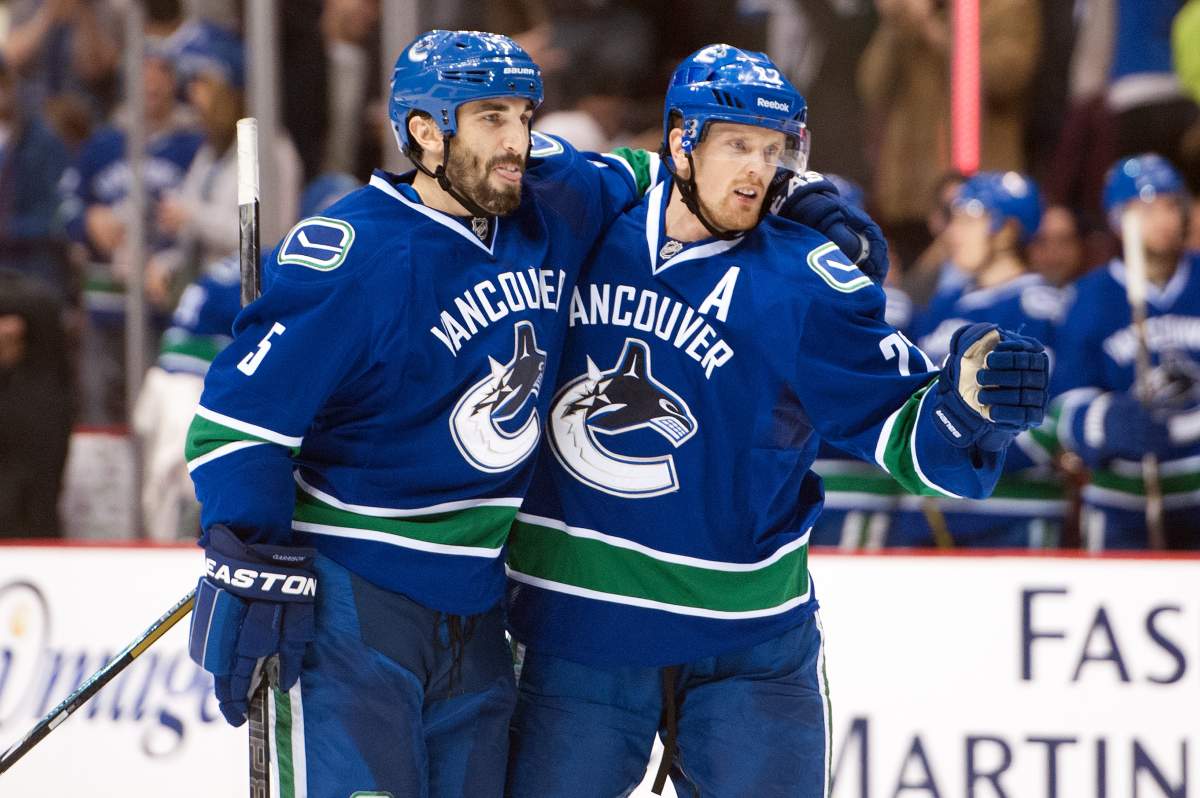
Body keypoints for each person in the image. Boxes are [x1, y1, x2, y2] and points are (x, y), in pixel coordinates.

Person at [503, 45, 1049, 797]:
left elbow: (910, 436)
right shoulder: (584, 226)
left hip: (748, 641)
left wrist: (970, 410)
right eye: (736, 144)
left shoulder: (805, 276)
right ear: (680, 141)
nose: (758, 169)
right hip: (577, 631)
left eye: (773, 148)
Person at [180, 30, 666, 796]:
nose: (518, 142)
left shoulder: (553, 202)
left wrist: (792, 201)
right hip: (357, 602)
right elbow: (238, 424)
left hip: (478, 602)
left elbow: (650, 175)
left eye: (523, 116)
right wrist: (250, 552)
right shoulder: (356, 252)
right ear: (426, 133)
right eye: (491, 118)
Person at [903, 172, 1066, 547]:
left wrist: (962, 455)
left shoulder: (1038, 307)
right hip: (931, 509)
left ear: (1007, 230)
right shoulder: (945, 306)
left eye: (968, 220)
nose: (953, 233)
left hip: (1010, 513)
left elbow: (1046, 417)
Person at [1051, 153, 1200, 549]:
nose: (1162, 219)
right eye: (1144, 209)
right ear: (1118, 220)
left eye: (1170, 205)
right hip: (1121, 498)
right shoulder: (1089, 297)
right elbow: (1063, 403)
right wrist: (1104, 422)